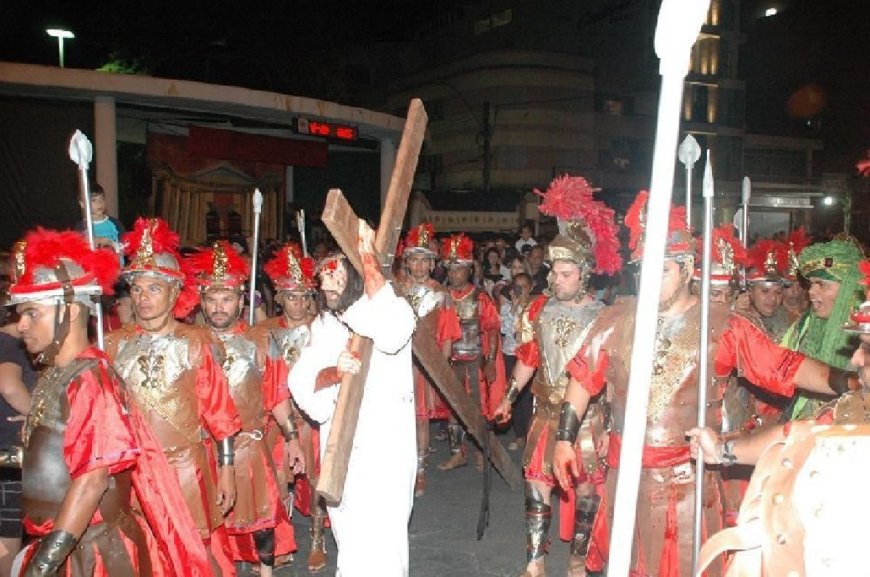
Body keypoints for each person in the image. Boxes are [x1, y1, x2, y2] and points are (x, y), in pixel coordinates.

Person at [551, 191, 857, 577]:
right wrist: (564, 437)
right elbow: (582, 375)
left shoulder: (724, 325)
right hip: (623, 472)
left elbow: (785, 366)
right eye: (642, 271)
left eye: (661, 271)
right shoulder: (615, 318)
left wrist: (850, 380)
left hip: (686, 480)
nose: (649, 282)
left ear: (689, 267)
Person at [6, 228, 210, 577]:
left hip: (93, 552)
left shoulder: (89, 380)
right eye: (19, 314)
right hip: (62, 543)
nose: (20, 325)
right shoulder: (58, 373)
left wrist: (44, 564)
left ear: (69, 312)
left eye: (31, 313)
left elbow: (91, 480)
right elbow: (62, 453)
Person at [688, 260, 870, 576]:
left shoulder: (737, 330)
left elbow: (781, 370)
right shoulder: (853, 408)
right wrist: (722, 449)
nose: (854, 358)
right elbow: (800, 435)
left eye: (866, 349)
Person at [492, 175, 622, 577]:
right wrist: (508, 398)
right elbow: (529, 358)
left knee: (585, 490)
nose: (556, 279)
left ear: (584, 274)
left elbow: (614, 377)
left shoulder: (604, 316)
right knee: (537, 485)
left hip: (587, 418)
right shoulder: (537, 309)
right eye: (554, 272)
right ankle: (535, 561)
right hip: (546, 411)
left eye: (566, 273)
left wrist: (611, 424)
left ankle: (579, 561)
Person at [104, 217, 242, 576]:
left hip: (186, 470)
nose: (143, 298)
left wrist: (226, 469)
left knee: (194, 555)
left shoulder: (197, 341)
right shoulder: (113, 345)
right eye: (137, 289)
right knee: (143, 554)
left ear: (173, 292)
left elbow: (220, 411)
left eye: (153, 289)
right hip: (133, 475)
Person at [287, 221, 417, 576]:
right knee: (350, 541)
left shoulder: (393, 310)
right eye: (323, 277)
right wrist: (333, 373)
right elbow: (300, 380)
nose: (325, 285)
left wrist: (369, 261)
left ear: (357, 276)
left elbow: (392, 332)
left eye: (335, 275)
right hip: (343, 447)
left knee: (384, 546)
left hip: (385, 452)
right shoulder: (325, 326)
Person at [189, 241, 305, 577]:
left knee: (261, 521)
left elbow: (276, 395)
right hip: (203, 449)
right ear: (202, 300)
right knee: (208, 527)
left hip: (248, 445)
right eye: (212, 299)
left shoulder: (260, 340)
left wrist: (293, 437)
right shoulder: (191, 342)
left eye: (226, 299)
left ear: (241, 300)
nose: (219, 307)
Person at [260, 241, 327, 572]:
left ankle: (317, 540)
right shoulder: (265, 332)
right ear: (280, 298)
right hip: (278, 416)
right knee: (279, 478)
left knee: (317, 478)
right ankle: (281, 539)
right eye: (291, 296)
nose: (298, 303)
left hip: (314, 416)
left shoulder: (324, 328)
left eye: (304, 296)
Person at [394, 223, 460, 497]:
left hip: (424, 363)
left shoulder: (441, 294)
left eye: (424, 260)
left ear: (432, 264)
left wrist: (439, 368)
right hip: (396, 360)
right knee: (396, 418)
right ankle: (399, 467)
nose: (419, 266)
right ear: (407, 262)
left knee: (420, 418)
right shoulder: (395, 290)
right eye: (414, 260)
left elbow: (446, 334)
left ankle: (420, 470)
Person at [438, 233, 506, 471]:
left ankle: (479, 450)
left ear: (468, 270)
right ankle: (458, 452)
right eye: (451, 268)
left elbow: (492, 331)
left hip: (475, 361)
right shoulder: (442, 297)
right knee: (453, 409)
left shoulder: (481, 298)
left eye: (459, 269)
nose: (453, 273)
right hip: (451, 361)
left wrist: (489, 361)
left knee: (478, 409)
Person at [782, 236, 865, 420]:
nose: (811, 291)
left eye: (822, 284)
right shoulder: (802, 328)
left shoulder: (865, 335)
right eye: (811, 284)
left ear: (847, 289)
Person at [0, 278, 34, 577]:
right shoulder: (8, 344)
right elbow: (9, 386)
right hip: (7, 458)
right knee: (6, 542)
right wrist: (38, 412)